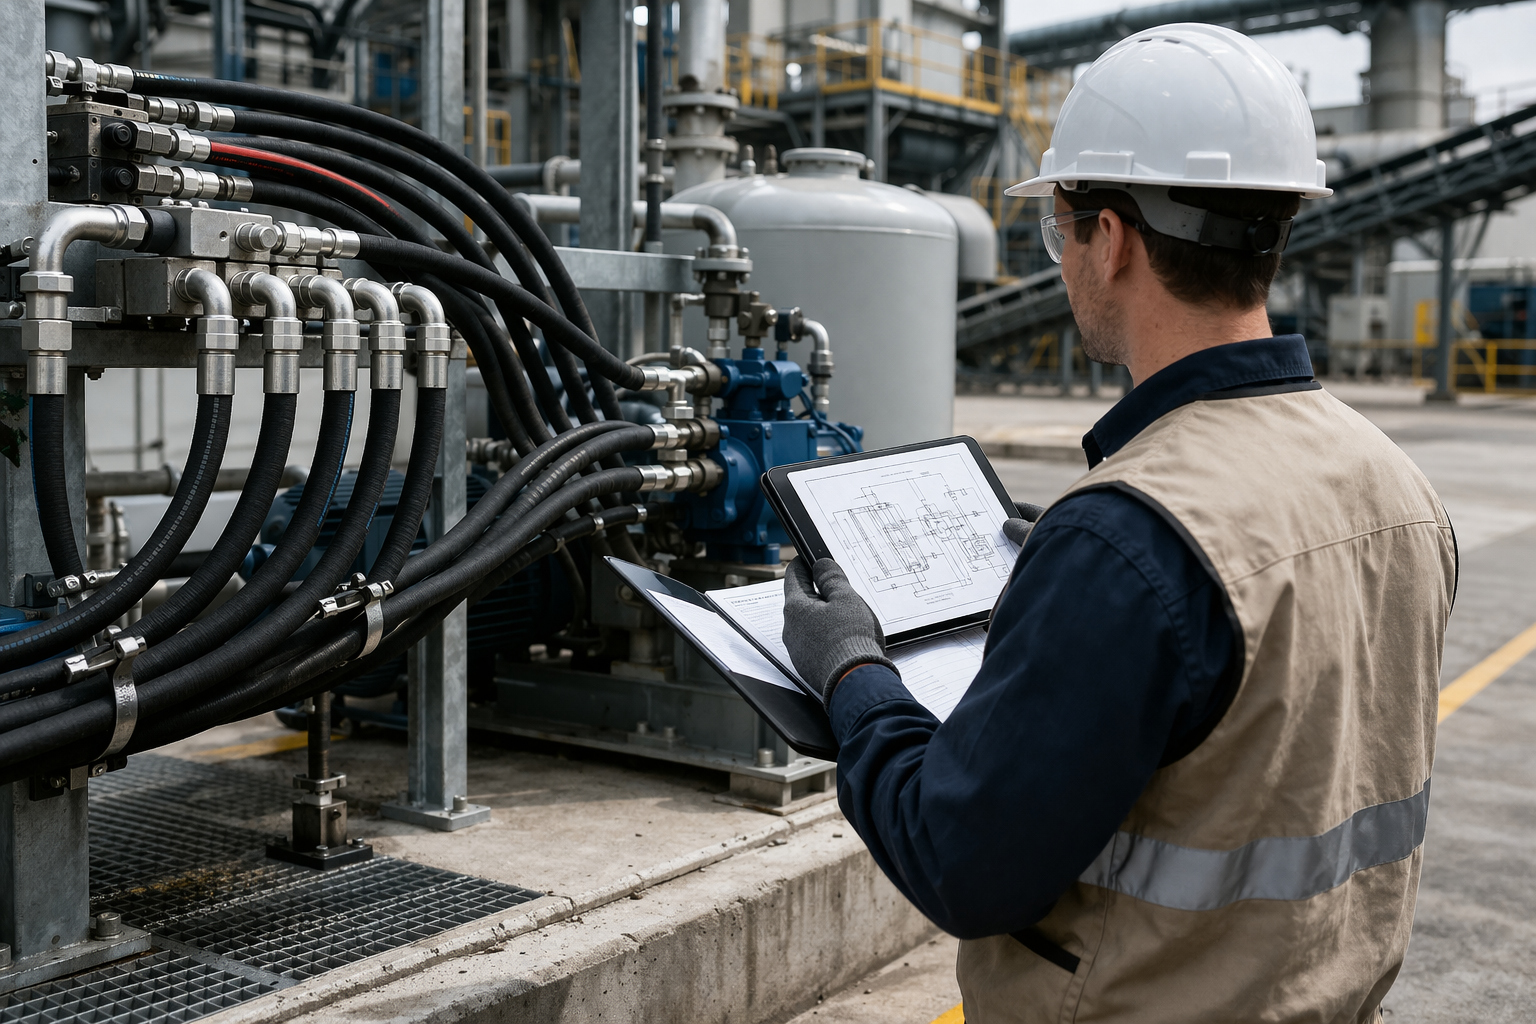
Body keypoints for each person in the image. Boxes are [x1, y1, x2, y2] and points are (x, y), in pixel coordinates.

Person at [780, 22, 1457, 1024]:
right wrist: (1079, 585)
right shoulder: (1398, 486)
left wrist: (851, 674)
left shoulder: (1127, 546)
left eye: (1060, 229)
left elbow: (963, 861)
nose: (1061, 260)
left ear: (1114, 238)